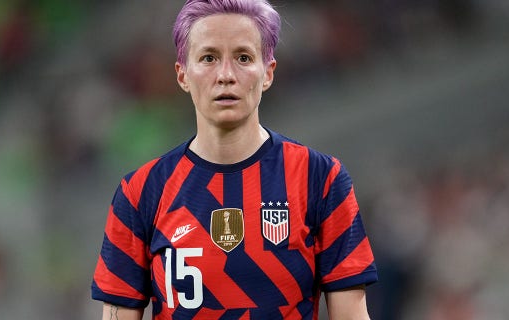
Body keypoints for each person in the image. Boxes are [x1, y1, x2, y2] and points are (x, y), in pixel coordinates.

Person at [91, 0, 378, 319]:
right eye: (209, 58)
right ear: (183, 74)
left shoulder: (321, 179)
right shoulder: (140, 193)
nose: (226, 75)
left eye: (243, 57)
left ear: (268, 73)